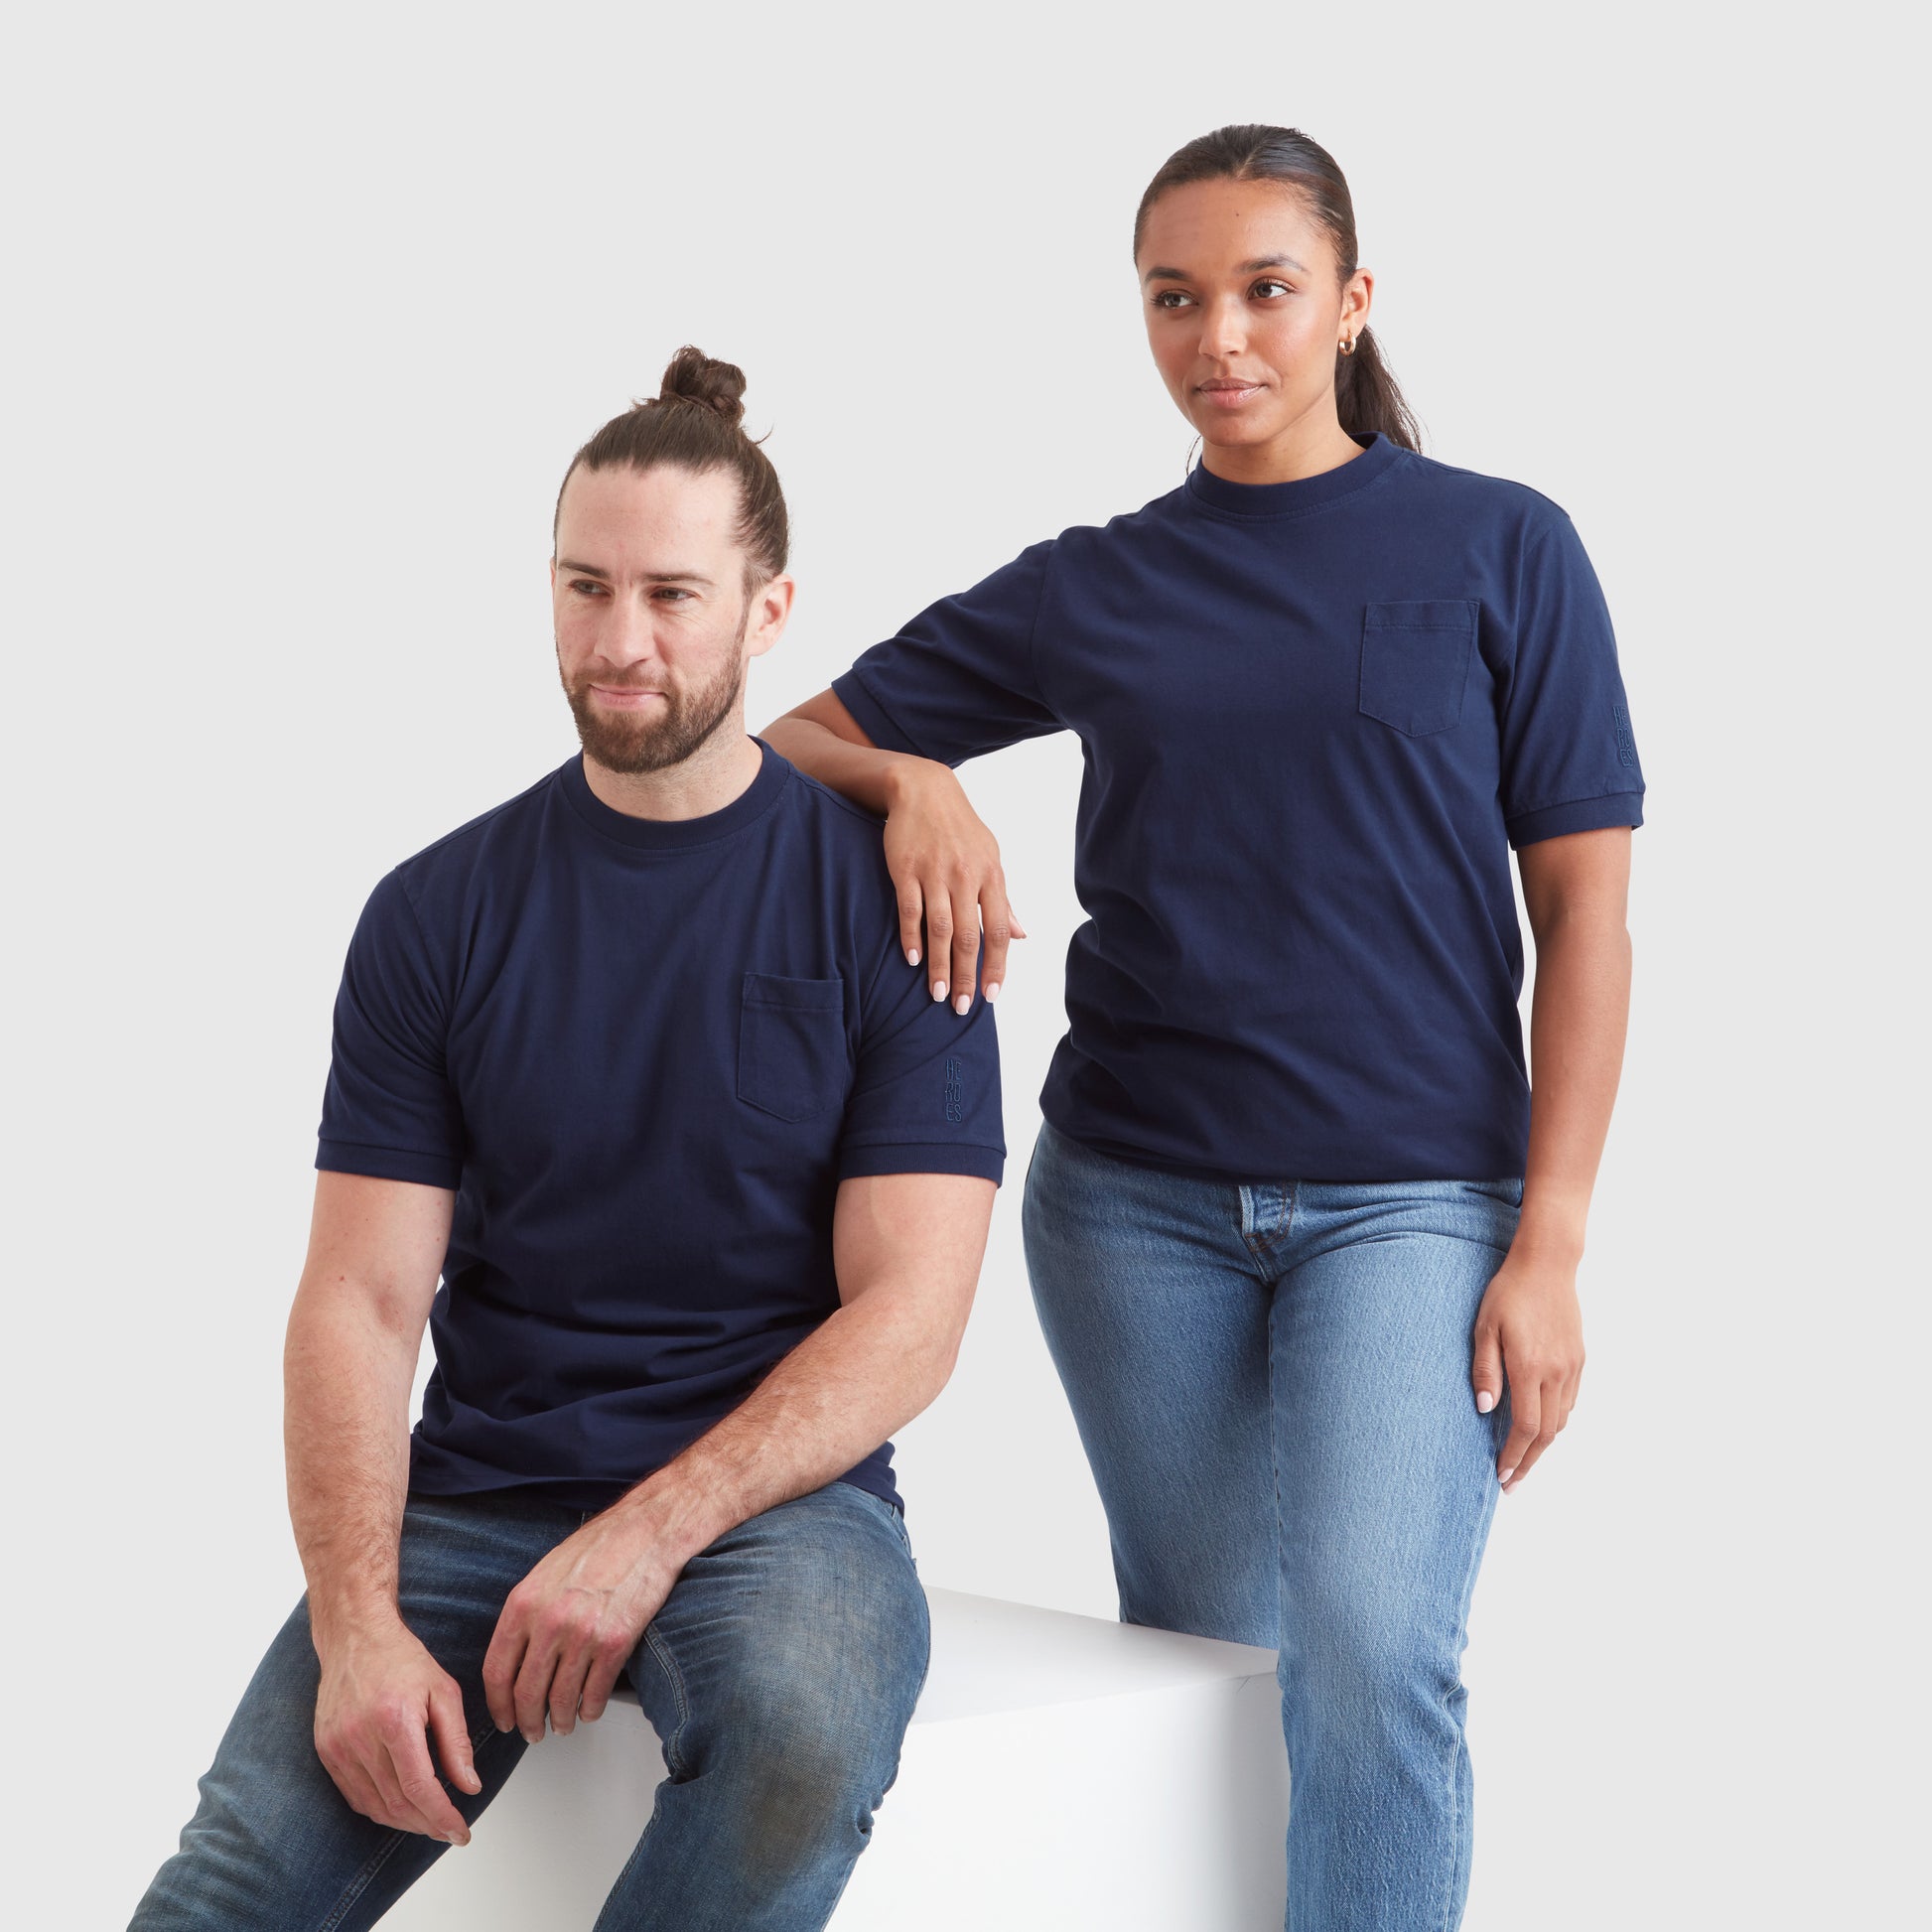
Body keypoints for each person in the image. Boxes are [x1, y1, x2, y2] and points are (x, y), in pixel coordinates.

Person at [761, 125, 1642, 1931]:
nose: (1217, 337)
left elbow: (1585, 916)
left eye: (1264, 290)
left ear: (1352, 301)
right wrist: (915, 778)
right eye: (1174, 298)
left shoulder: (1500, 544)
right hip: (1132, 1207)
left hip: (1414, 1198)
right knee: (1206, 1668)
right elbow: (785, 748)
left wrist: (1549, 1239)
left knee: (1373, 1655)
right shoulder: (1101, 579)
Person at [131, 348, 1004, 1932]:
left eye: (672, 595)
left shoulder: (892, 903)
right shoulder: (436, 912)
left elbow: (912, 1313)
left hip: (776, 1507)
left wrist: (650, 1528)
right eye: (585, 586)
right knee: (229, 1887)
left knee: (801, 1741)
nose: (619, 642)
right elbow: (360, 1299)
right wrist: (356, 1624)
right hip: (484, 1491)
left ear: (768, 610)